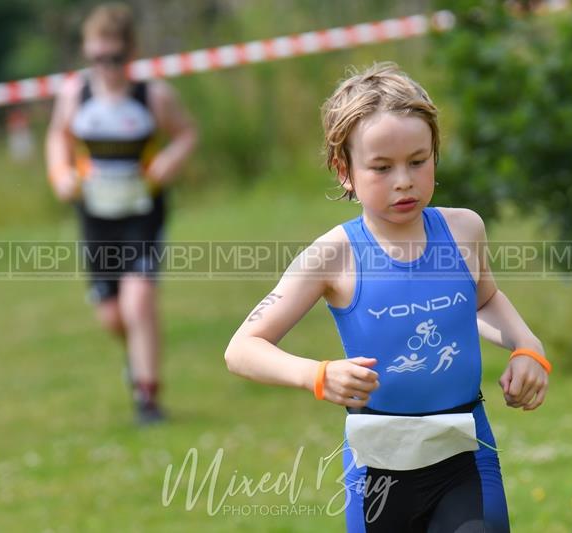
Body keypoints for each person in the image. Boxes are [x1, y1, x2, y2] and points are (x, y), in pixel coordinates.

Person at [224, 62, 551, 532]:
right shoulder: (333, 256)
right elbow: (242, 349)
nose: (404, 180)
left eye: (418, 161)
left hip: (465, 455)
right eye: (381, 168)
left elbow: (482, 301)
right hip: (377, 470)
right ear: (345, 171)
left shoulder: (463, 231)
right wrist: (317, 375)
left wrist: (527, 346)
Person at [46, 3, 197, 425]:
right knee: (112, 314)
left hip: (141, 212)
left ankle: (147, 397)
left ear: (131, 54)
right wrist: (59, 173)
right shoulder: (75, 94)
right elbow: (58, 136)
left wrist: (172, 157)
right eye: (97, 59)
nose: (106, 68)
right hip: (96, 215)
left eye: (115, 59)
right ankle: (136, 359)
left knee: (139, 301)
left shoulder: (154, 95)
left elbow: (187, 133)